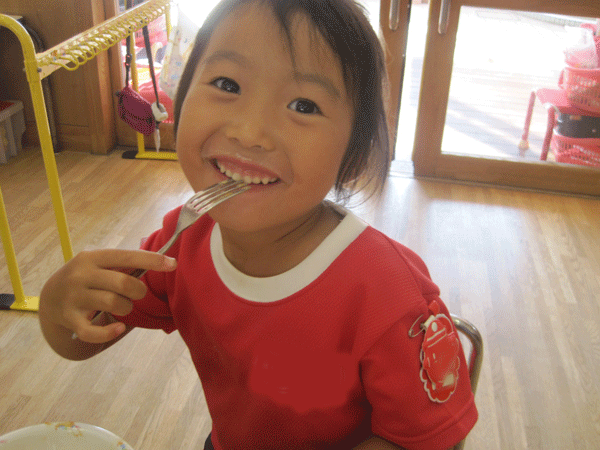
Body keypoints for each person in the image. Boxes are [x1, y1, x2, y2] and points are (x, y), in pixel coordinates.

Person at [39, 0, 478, 449]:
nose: (249, 132)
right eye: (226, 84)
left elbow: (430, 440)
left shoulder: (387, 294)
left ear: (353, 157)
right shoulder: (183, 240)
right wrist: (58, 304)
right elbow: (84, 337)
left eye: (304, 105)